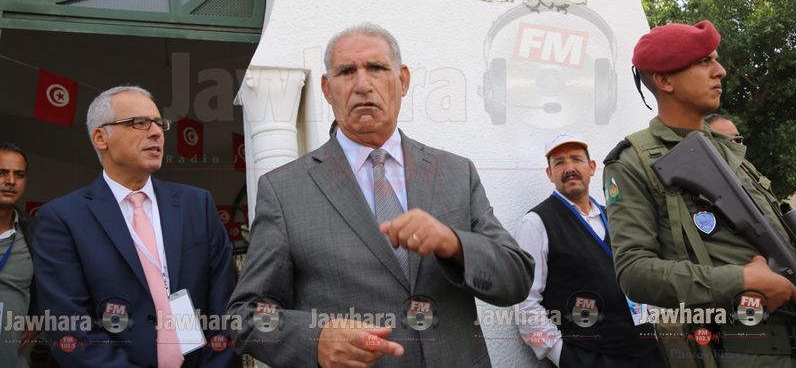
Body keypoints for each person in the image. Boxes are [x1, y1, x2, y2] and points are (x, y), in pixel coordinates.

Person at [227, 23, 534, 367]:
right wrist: (316, 340)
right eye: (346, 72)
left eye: (376, 68)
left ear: (402, 80)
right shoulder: (284, 190)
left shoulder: (455, 173)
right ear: (327, 88)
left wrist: (454, 244)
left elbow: (517, 278)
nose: (362, 84)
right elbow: (244, 316)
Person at [604, 20, 796, 366]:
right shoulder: (633, 162)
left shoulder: (728, 148)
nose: (720, 71)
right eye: (703, 62)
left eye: (716, 60)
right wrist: (739, 281)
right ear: (665, 81)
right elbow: (635, 271)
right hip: (750, 351)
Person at [32, 86, 235, 367]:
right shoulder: (62, 219)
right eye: (139, 123)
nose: (156, 132)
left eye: (159, 123)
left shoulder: (196, 205)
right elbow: (70, 327)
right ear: (100, 138)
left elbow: (225, 304)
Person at [514, 132, 663, 367]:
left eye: (576, 159)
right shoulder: (535, 223)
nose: (569, 168)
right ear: (549, 173)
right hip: (589, 356)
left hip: (646, 351)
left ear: (592, 167)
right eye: (559, 163)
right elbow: (525, 303)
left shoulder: (614, 216)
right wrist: (561, 355)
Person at [0, 142, 36, 367]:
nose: (11, 181)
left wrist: (38, 317)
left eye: (19, 174)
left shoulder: (36, 235)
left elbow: (55, 284)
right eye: (2, 173)